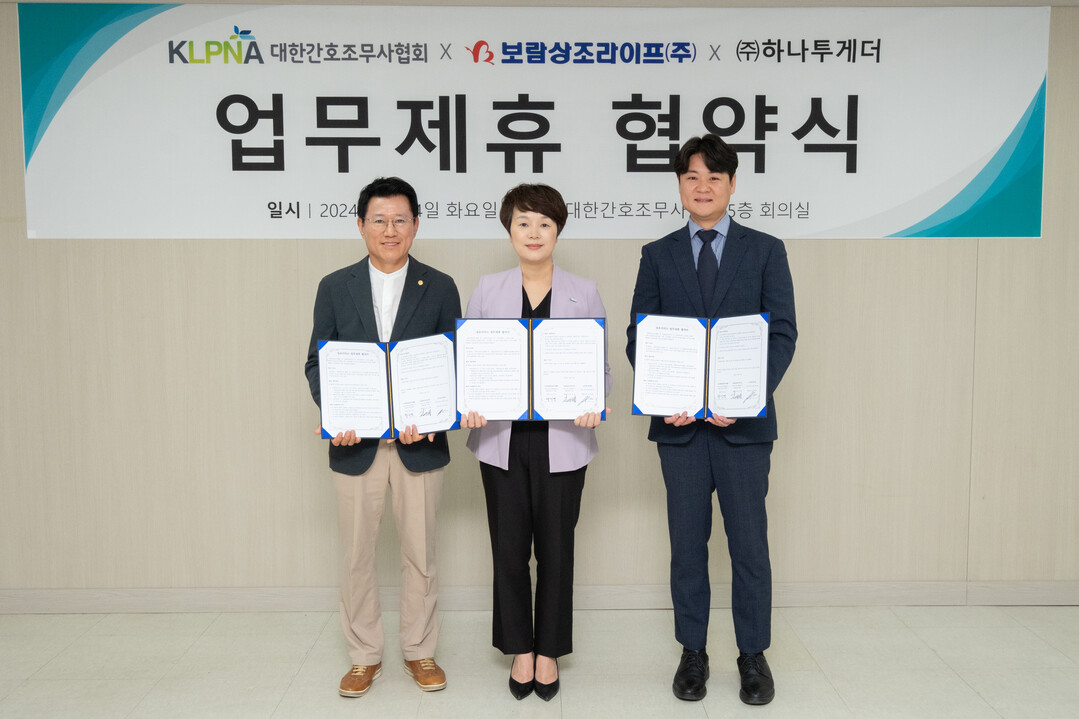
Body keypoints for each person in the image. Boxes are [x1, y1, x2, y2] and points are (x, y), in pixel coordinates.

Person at [626, 135, 797, 704]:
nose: (702, 187)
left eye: (713, 178)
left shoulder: (765, 250)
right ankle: (692, 652)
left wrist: (746, 395)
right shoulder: (658, 254)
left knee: (749, 546)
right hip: (679, 431)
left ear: (732, 184)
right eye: (692, 177)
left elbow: (782, 333)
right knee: (687, 548)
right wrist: (662, 393)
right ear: (679, 185)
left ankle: (753, 655)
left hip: (743, 430)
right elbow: (640, 336)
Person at [304, 176, 461, 698]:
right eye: (379, 220)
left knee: (420, 553)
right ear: (360, 225)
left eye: (400, 220)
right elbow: (317, 362)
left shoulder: (440, 285)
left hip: (420, 445)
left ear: (415, 225)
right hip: (357, 445)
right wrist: (337, 413)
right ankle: (363, 655)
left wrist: (437, 415)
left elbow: (454, 363)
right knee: (357, 555)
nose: (390, 230)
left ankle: (419, 649)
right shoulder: (335, 286)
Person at [460, 183, 611, 702]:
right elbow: (469, 362)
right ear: (509, 230)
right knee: (508, 550)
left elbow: (599, 366)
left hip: (563, 440)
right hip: (501, 440)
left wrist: (596, 403)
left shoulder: (583, 290)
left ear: (557, 231)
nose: (534, 232)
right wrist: (467, 402)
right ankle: (519, 650)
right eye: (523, 222)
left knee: (556, 550)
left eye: (545, 223)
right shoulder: (487, 289)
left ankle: (548, 652)